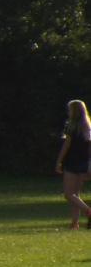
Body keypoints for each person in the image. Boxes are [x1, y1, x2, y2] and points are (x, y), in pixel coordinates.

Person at [54, 98, 91, 230]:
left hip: (72, 162)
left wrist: (59, 161)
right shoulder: (87, 127)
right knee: (76, 194)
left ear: (74, 111)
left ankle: (88, 211)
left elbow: (66, 145)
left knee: (68, 194)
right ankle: (74, 224)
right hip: (84, 162)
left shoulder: (70, 126)